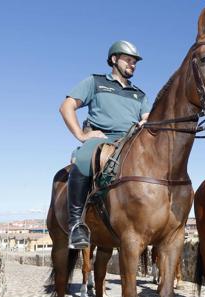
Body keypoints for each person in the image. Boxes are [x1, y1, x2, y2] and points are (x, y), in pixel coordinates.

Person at [60, 40, 151, 249]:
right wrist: (82, 136)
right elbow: (67, 106)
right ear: (114, 59)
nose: (132, 65)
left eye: (135, 62)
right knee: (83, 158)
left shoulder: (140, 94)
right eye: (128, 60)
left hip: (131, 140)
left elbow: (147, 116)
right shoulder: (96, 82)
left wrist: (147, 121)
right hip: (102, 139)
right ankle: (76, 225)